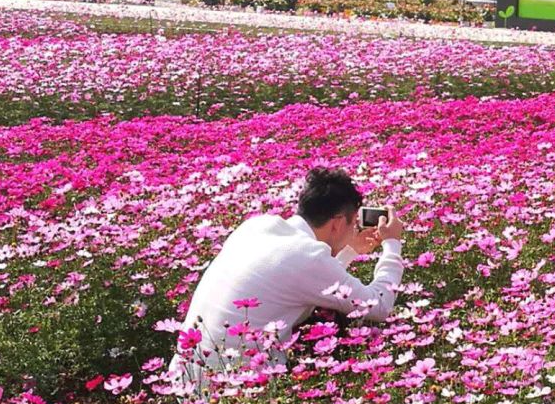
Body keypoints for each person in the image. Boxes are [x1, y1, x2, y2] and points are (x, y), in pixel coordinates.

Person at [170, 167, 405, 390]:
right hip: (235, 391)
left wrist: (350, 251)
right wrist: (392, 244)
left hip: (184, 379)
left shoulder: (256, 226)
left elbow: (306, 278)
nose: (354, 229)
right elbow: (379, 305)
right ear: (337, 223)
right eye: (353, 223)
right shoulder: (308, 255)